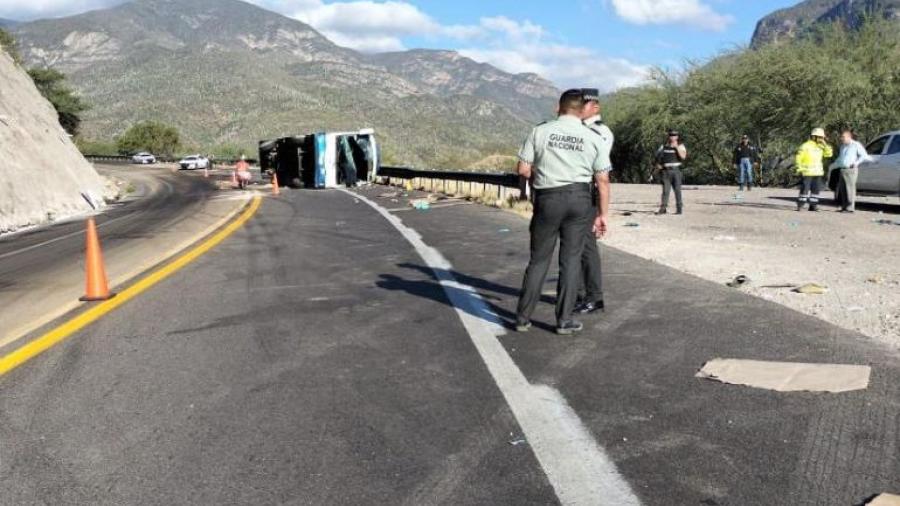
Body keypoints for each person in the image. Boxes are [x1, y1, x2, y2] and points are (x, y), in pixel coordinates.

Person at [515, 89, 612, 335]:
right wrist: (602, 214)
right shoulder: (593, 137)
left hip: (548, 197)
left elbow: (523, 169)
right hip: (579, 199)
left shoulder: (540, 131)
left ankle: (523, 318)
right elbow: (602, 180)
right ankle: (564, 320)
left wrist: (543, 175)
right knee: (570, 260)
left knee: (538, 259)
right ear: (582, 110)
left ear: (558, 106)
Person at [574, 88, 613, 315]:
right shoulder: (578, 129)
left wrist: (601, 211)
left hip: (589, 191)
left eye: (584, 104)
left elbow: (600, 172)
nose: (580, 108)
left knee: (587, 246)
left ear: (595, 107)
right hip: (576, 191)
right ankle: (577, 293)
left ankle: (594, 296)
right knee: (575, 245)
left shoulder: (600, 132)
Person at [794, 128, 833, 212]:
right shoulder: (805, 146)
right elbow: (798, 157)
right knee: (804, 190)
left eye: (822, 137)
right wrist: (799, 168)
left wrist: (825, 145)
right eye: (820, 137)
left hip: (818, 172)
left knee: (816, 190)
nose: (821, 139)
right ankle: (800, 205)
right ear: (814, 137)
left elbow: (829, 154)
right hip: (807, 172)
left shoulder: (821, 146)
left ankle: (813, 206)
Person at [832, 128, 870, 213]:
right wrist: (834, 164)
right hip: (842, 169)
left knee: (850, 189)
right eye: (841, 137)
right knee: (843, 189)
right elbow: (841, 158)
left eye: (843, 137)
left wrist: (856, 163)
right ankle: (844, 206)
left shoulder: (855, 145)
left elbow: (864, 155)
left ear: (849, 137)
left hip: (851, 169)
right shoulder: (842, 146)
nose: (842, 138)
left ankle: (850, 208)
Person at [655, 130, 687, 215]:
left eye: (674, 135)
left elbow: (683, 157)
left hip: (676, 170)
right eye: (671, 135)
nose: (672, 137)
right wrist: (658, 165)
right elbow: (657, 157)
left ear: (677, 137)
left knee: (677, 190)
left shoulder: (681, 146)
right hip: (665, 171)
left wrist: (676, 148)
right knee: (665, 191)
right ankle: (663, 209)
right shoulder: (663, 146)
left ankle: (679, 209)